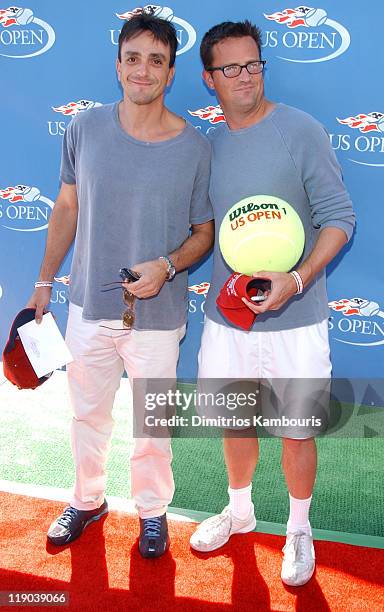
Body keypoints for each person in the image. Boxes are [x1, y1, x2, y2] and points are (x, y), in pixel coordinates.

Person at [27, 14, 214, 558]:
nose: (143, 70)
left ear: (171, 72)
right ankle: (87, 500)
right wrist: (44, 280)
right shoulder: (83, 128)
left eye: (156, 60)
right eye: (133, 57)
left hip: (158, 318)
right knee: (86, 415)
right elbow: (66, 206)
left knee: (152, 424)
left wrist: (169, 265)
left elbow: (204, 233)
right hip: (86, 306)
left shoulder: (195, 147)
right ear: (118, 65)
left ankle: (152, 512)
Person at [189, 20, 355, 586]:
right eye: (230, 68)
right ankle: (240, 513)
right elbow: (208, 231)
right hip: (229, 319)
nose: (244, 77)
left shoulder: (299, 130)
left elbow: (340, 218)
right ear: (209, 79)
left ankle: (299, 528)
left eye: (253, 64)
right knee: (234, 424)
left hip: (297, 318)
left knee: (297, 428)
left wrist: (299, 278)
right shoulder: (209, 147)